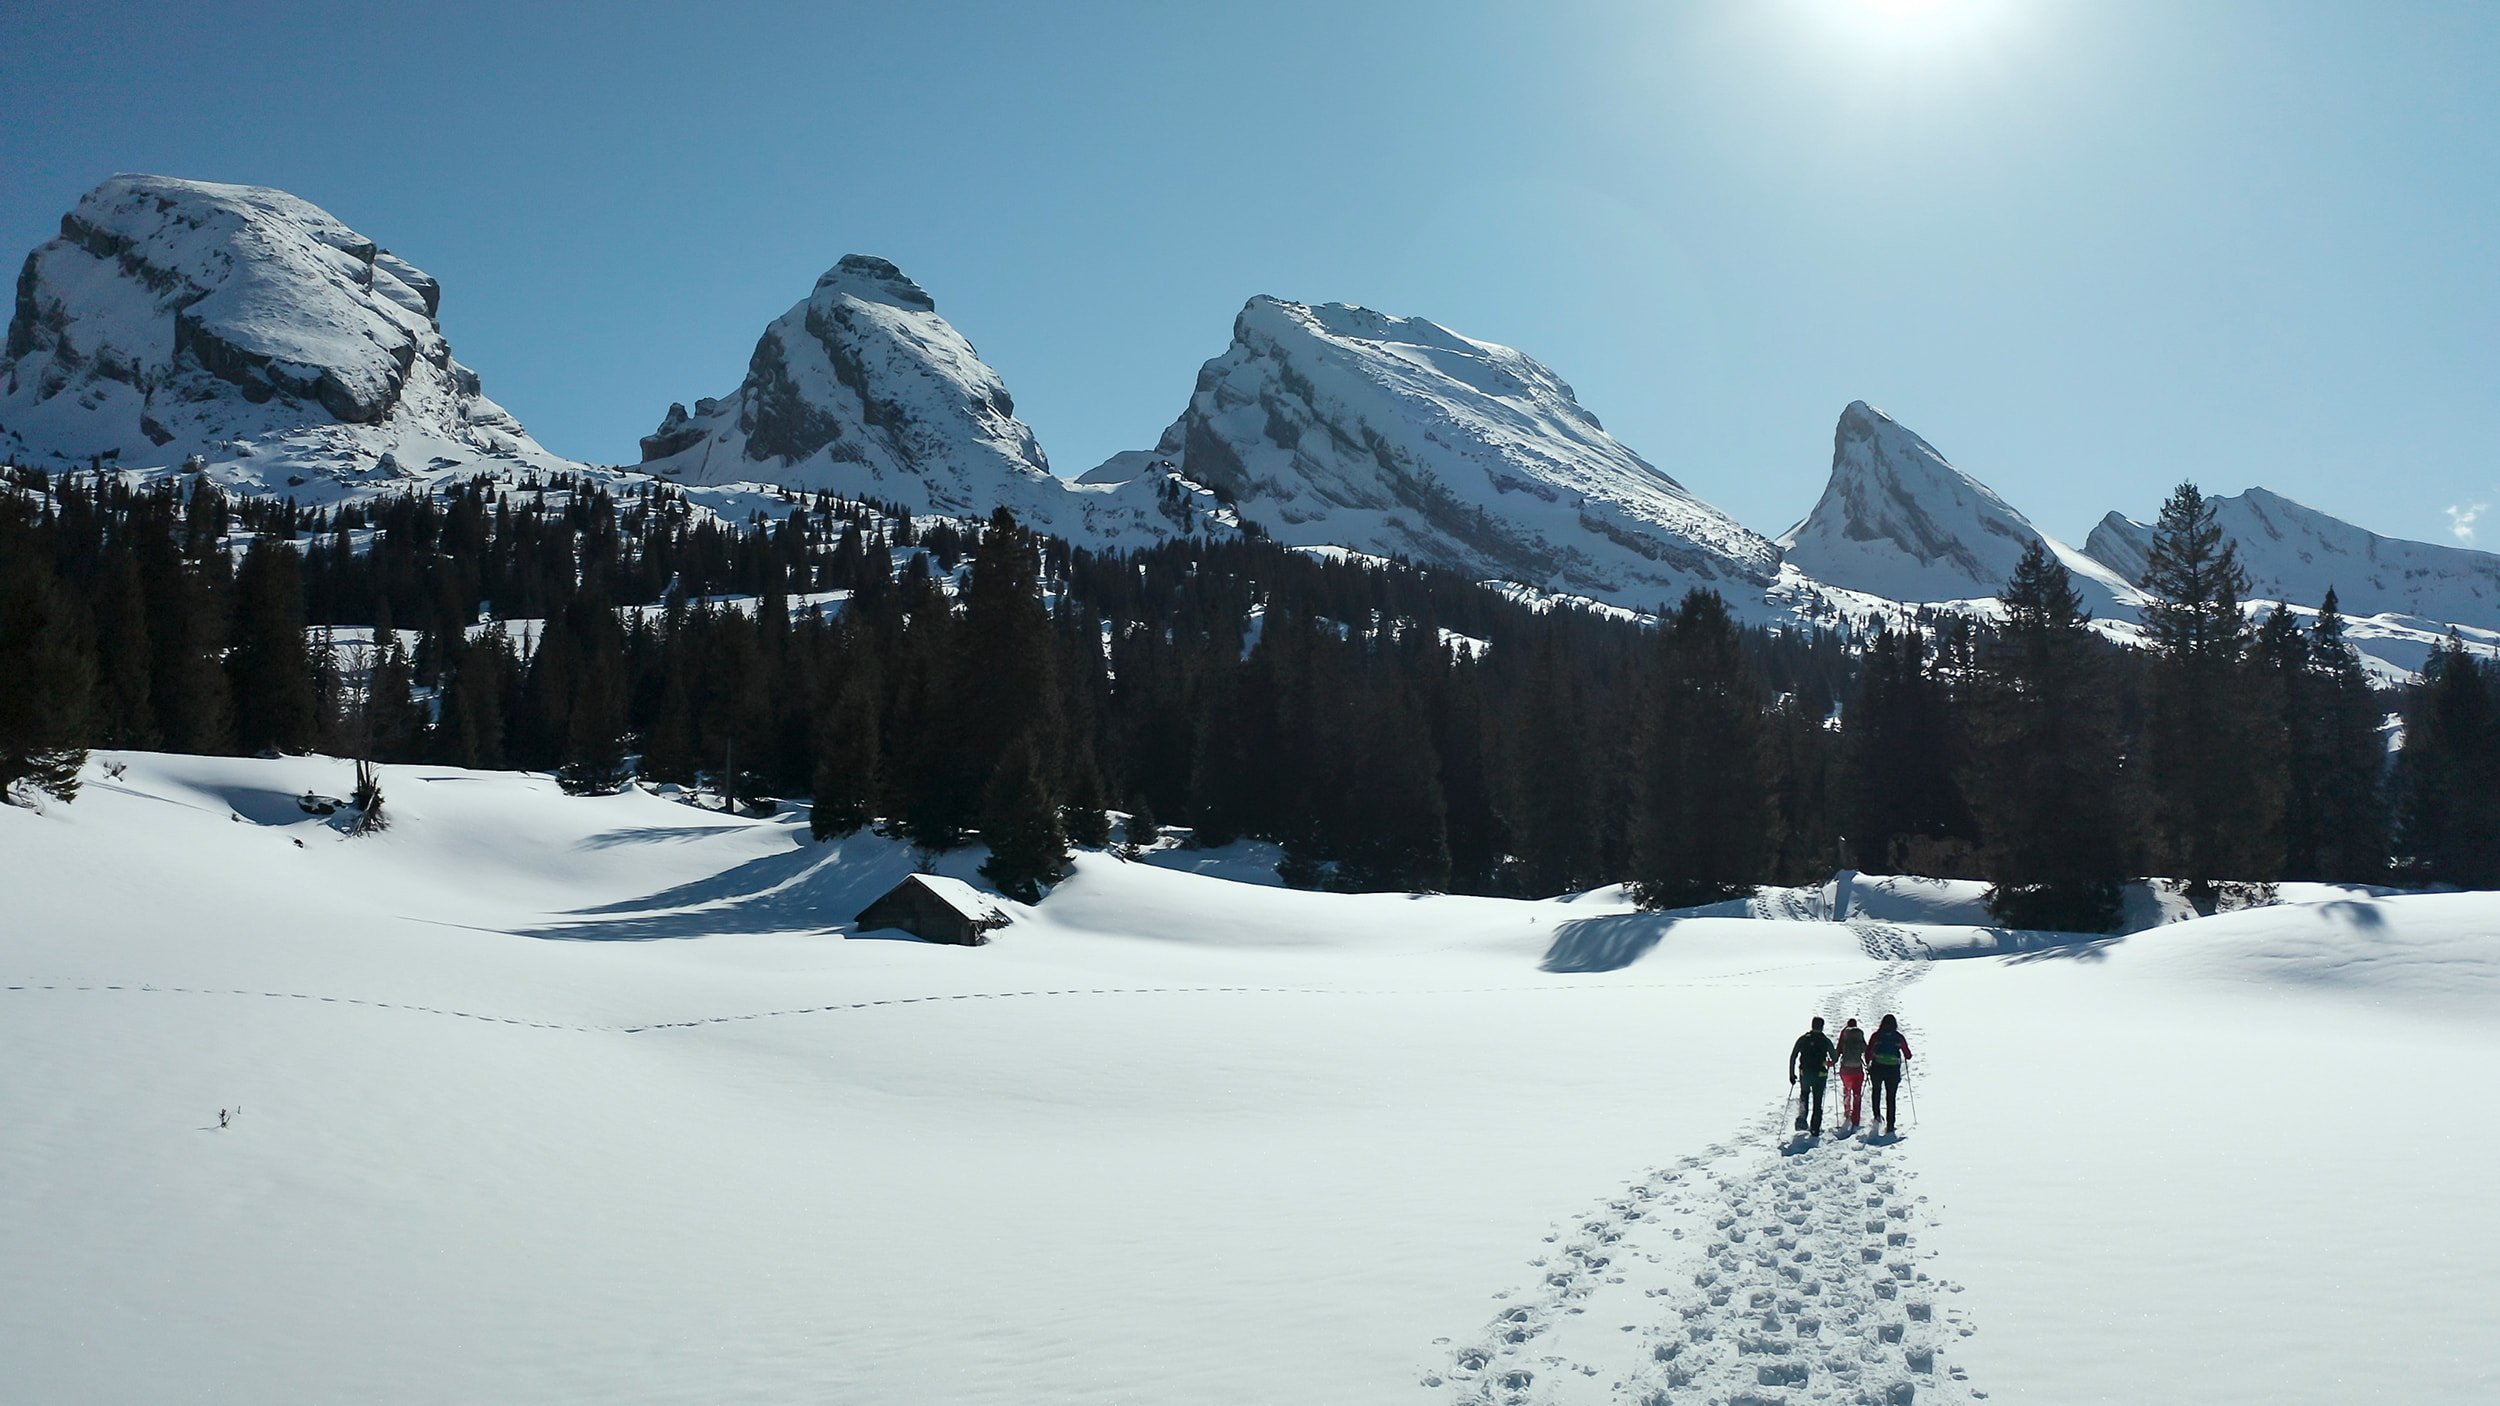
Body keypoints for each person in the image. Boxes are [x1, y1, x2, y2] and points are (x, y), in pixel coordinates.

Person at [1788, 1016, 1836, 1136]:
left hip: (1805, 1074)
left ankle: (1801, 1121)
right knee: (1817, 1100)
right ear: (1822, 1026)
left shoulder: (1803, 1039)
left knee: (1804, 1096)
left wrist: (1791, 1074)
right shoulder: (1825, 1041)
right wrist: (1828, 1062)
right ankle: (1815, 1128)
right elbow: (1834, 1057)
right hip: (1820, 1075)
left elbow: (1793, 1056)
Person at [1869, 1014, 1913, 1133]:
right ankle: (1890, 1124)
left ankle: (1877, 1117)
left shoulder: (1876, 1036)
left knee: (1876, 1091)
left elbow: (1869, 1051)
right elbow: (1908, 1055)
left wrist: (1868, 1063)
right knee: (1891, 1096)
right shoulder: (1898, 1037)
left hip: (1877, 1068)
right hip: (1892, 1070)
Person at [1833, 1017, 1868, 1127]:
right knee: (1857, 1094)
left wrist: (1833, 1061)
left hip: (1846, 1069)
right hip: (1858, 1069)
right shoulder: (1859, 1035)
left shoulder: (1844, 1034)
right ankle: (1856, 1119)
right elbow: (1865, 1050)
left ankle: (1847, 1112)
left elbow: (1838, 1050)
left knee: (1847, 1089)